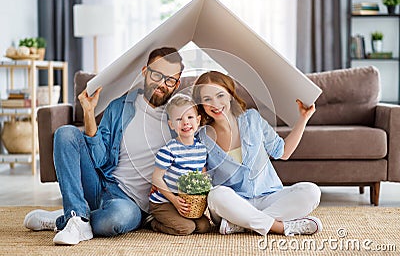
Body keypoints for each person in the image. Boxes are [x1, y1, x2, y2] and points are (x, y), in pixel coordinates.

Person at [23, 47, 184, 245]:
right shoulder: (120, 107)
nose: (162, 84)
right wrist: (89, 113)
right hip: (101, 184)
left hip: (131, 205)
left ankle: (70, 216)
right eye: (157, 75)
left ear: (177, 85)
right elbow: (100, 159)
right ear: (145, 72)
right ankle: (77, 216)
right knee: (65, 133)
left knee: (116, 220)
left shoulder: (179, 119)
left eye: (170, 80)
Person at [192, 71, 322, 236]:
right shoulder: (201, 137)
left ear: (231, 95)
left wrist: (303, 118)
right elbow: (204, 181)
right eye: (207, 99)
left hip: (269, 196)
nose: (215, 104)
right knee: (216, 195)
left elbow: (283, 152)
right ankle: (281, 227)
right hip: (233, 204)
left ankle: (240, 224)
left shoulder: (252, 119)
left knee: (311, 191)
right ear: (201, 104)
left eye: (220, 95)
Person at [149, 94, 211, 235]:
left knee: (204, 227)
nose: (185, 122)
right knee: (186, 228)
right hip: (164, 201)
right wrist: (174, 200)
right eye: (179, 119)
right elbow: (156, 178)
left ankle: (178, 217)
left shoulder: (201, 149)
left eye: (189, 117)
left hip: (187, 201)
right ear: (171, 125)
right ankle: (153, 222)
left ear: (198, 120)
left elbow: (202, 174)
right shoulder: (169, 150)